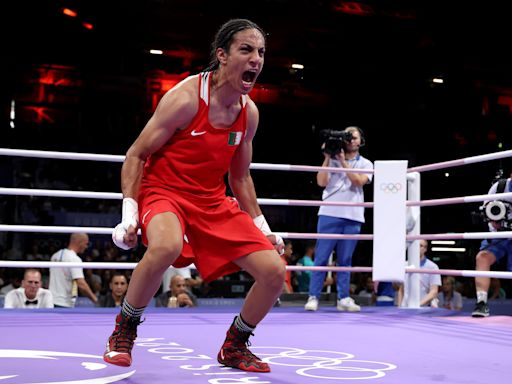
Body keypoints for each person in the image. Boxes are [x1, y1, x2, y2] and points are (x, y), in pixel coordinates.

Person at [104, 19, 285, 373]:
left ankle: (235, 345)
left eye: (260, 52)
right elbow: (136, 154)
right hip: (163, 191)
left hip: (212, 200)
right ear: (221, 55)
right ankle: (123, 330)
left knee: (274, 272)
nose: (256, 59)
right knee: (166, 246)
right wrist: (129, 212)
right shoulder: (184, 99)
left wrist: (261, 225)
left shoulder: (249, 114)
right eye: (246, 50)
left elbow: (240, 176)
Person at [305, 126, 373, 312]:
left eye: (355, 137)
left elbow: (358, 181)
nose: (351, 140)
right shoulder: (331, 160)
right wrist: (328, 156)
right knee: (321, 257)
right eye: (348, 136)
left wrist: (343, 162)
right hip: (329, 213)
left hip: (353, 216)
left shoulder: (367, 164)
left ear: (361, 141)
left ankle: (343, 298)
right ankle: (313, 297)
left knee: (345, 259)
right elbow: (321, 182)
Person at [472, 176, 512, 317]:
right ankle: (481, 303)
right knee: (482, 258)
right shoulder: (499, 187)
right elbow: (487, 211)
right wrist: (495, 222)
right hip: (499, 234)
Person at [49, 233, 98, 308]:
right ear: (80, 242)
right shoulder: (74, 259)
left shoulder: (55, 255)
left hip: (51, 301)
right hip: (63, 303)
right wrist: (95, 300)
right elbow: (81, 284)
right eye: (86, 244)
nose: (86, 247)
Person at [397, 240, 441, 307]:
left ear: (425, 249)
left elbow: (434, 291)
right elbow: (401, 289)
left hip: (423, 308)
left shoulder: (432, 267)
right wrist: (399, 307)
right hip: (405, 307)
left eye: (420, 246)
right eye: (415, 245)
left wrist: (417, 305)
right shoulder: (405, 265)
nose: (417, 248)